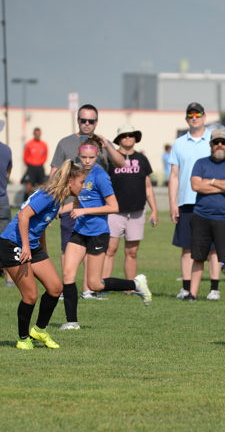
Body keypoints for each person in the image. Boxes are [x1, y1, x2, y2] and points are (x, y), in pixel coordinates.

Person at [60, 138, 152, 331]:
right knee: (68, 274)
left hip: (97, 233)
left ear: (98, 156)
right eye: (84, 157)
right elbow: (79, 202)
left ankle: (135, 284)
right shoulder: (78, 175)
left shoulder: (100, 176)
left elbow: (114, 206)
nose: (87, 161)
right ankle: (72, 322)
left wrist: (84, 211)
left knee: (94, 284)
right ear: (78, 155)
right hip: (79, 231)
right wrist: (58, 211)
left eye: (91, 157)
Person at [0, 160, 84, 349]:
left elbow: (40, 225)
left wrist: (42, 251)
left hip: (32, 245)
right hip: (13, 244)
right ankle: (23, 338)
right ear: (70, 181)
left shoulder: (58, 198)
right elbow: (23, 216)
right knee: (30, 295)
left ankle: (39, 330)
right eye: (81, 182)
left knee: (55, 288)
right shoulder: (49, 195)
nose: (83, 186)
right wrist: (26, 247)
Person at [50, 104, 125, 299]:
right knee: (68, 254)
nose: (86, 124)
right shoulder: (65, 144)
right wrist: (54, 205)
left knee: (93, 273)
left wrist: (107, 143)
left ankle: (89, 290)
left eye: (91, 121)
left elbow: (121, 163)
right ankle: (68, 292)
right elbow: (54, 173)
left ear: (96, 122)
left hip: (95, 213)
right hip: (72, 205)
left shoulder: (101, 150)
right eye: (83, 120)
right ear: (78, 120)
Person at [168, 102, 220, 300]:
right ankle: (186, 287)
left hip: (211, 200)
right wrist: (173, 203)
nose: (194, 118)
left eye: (198, 115)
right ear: (186, 118)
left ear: (204, 117)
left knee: (213, 248)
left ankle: (214, 289)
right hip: (186, 202)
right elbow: (174, 175)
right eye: (191, 115)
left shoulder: (214, 140)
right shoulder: (179, 143)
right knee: (187, 246)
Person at [189, 127, 225, 301]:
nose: (219, 145)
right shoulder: (201, 163)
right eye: (216, 142)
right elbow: (196, 186)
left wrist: (211, 181)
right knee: (198, 257)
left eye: (223, 142)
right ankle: (192, 294)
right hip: (201, 216)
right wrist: (224, 186)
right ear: (211, 144)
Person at [103, 124, 158, 283]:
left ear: (135, 138)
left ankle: (129, 286)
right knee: (110, 250)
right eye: (124, 135)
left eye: (131, 135)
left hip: (136, 212)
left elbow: (148, 187)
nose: (128, 138)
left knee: (132, 252)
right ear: (119, 139)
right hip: (114, 212)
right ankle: (104, 285)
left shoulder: (142, 159)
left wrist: (154, 210)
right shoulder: (111, 158)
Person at [0, 119, 13, 285]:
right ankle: (10, 278)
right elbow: (8, 172)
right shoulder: (6, 150)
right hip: (2, 199)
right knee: (6, 239)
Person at [22, 127, 48, 198]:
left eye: (39, 134)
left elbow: (45, 156)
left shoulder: (43, 144)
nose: (37, 135)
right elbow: (25, 156)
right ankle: (25, 202)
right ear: (33, 134)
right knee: (28, 187)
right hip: (31, 167)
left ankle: (40, 201)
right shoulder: (29, 144)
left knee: (42, 186)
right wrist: (30, 164)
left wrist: (40, 163)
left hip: (40, 167)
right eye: (36, 134)